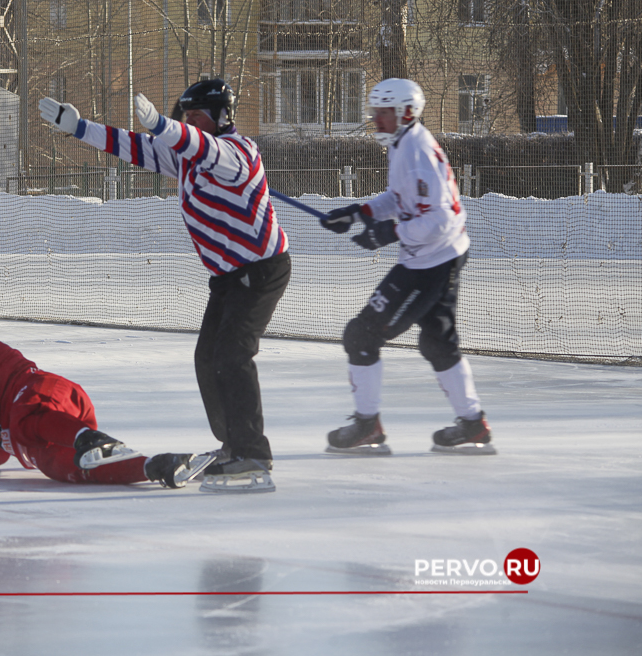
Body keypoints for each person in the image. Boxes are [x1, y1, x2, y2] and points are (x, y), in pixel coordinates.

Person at [39, 80, 290, 493]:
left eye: (197, 115)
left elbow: (201, 146)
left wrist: (163, 124)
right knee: (208, 359)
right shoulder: (187, 159)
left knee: (232, 354)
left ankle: (254, 456)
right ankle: (234, 445)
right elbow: (134, 147)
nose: (188, 122)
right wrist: (80, 127)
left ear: (221, 116)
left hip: (260, 269)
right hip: (228, 276)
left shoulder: (236, 152)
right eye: (185, 115)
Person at [319, 78, 495, 455]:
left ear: (406, 112)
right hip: (437, 256)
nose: (376, 120)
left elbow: (441, 219)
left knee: (361, 336)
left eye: (383, 113)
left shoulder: (418, 150)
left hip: (431, 261)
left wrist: (388, 232)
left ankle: (367, 425)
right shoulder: (403, 144)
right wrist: (359, 212)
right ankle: (473, 423)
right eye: (376, 113)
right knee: (437, 340)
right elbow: (400, 197)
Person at [0, 295, 217, 488]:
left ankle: (89, 438)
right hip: (41, 436)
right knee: (71, 469)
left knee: (24, 421)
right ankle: (158, 467)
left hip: (39, 395)